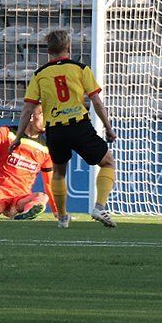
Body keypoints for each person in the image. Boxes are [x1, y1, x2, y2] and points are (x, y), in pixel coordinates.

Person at [12, 29, 117, 228]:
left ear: (48, 50)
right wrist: (108, 128)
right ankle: (99, 207)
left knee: (59, 173)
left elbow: (28, 108)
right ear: (68, 47)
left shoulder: (40, 74)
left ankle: (62, 217)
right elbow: (96, 100)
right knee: (108, 163)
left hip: (55, 131)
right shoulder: (80, 69)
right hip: (78, 126)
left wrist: (18, 137)